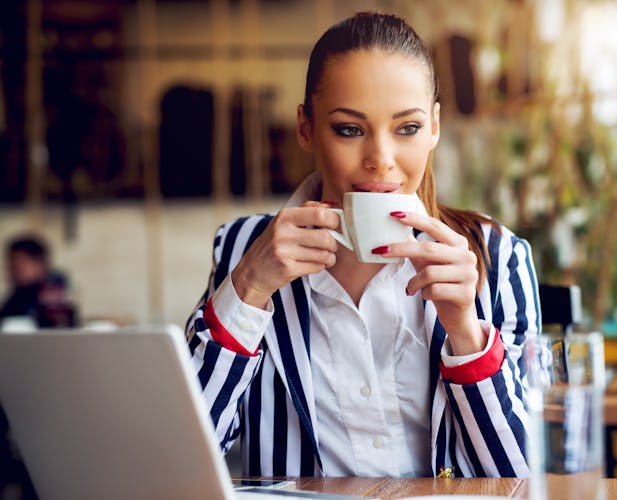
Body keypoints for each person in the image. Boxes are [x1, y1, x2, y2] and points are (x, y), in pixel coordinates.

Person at [186, 11, 539, 478]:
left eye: (407, 128)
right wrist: (249, 288)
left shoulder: (496, 255)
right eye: (349, 129)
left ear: (434, 126)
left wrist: (467, 335)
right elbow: (186, 457)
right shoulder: (243, 251)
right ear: (306, 128)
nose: (380, 160)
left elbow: (523, 475)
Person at [0, 234, 76, 329]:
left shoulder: (53, 295)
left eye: (20, 266)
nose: (12, 271)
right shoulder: (18, 296)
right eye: (11, 266)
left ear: (41, 264)